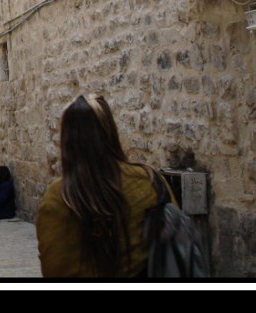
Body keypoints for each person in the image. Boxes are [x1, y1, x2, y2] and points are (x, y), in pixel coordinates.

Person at [36, 94, 173, 278]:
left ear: (67, 139)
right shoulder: (149, 180)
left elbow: (55, 267)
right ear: (110, 133)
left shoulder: (60, 197)